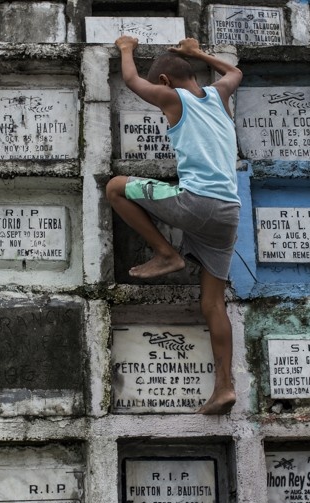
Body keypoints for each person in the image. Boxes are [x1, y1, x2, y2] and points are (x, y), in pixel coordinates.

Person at [107, 35, 242, 415]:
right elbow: (234, 72)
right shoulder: (218, 94)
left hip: (196, 202)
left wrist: (126, 48)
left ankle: (166, 253)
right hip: (228, 212)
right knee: (213, 303)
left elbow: (132, 81)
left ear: (165, 82)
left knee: (116, 187)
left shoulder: (173, 99)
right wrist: (197, 53)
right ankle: (224, 388)